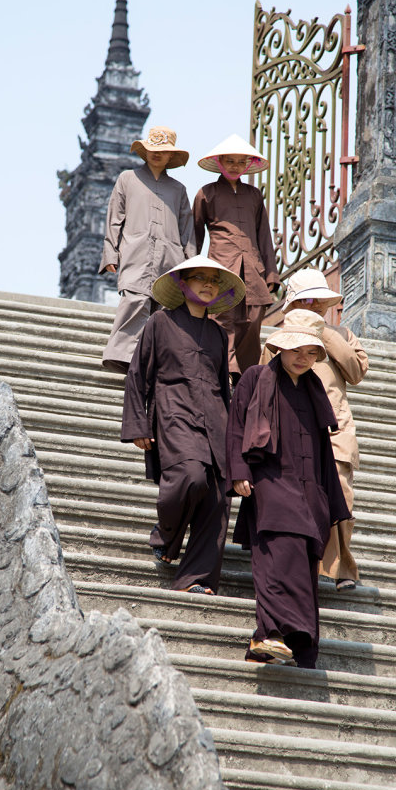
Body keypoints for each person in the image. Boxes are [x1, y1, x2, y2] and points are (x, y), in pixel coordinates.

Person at [227, 309, 350, 668]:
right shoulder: (255, 378)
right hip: (269, 481)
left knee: (303, 561)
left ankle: (282, 642)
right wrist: (238, 471)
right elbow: (236, 428)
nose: (303, 358)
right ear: (280, 347)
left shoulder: (314, 388)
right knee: (277, 553)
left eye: (311, 353)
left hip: (310, 489)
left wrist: (332, 504)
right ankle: (271, 633)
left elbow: (325, 451)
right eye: (297, 349)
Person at [122, 255, 246, 595]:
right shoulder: (160, 324)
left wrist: (236, 446)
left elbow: (226, 388)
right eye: (200, 278)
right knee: (190, 477)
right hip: (174, 414)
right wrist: (138, 425)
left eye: (214, 280)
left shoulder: (219, 335)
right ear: (182, 283)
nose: (208, 284)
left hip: (216, 422)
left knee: (219, 499)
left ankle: (195, 579)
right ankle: (165, 534)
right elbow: (138, 374)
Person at [261, 268, 369, 592]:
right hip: (294, 428)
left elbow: (356, 370)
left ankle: (343, 568)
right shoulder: (279, 338)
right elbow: (264, 377)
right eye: (306, 300)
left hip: (337, 430)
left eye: (319, 300)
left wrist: (323, 333)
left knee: (341, 496)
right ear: (293, 304)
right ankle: (307, 565)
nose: (314, 305)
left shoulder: (342, 334)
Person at [99, 126, 197, 373]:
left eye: (163, 152)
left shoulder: (178, 190)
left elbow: (187, 229)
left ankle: (158, 362)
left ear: (170, 157)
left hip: (170, 257)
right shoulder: (127, 179)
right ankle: (121, 357)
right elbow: (114, 218)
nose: (157, 155)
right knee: (135, 299)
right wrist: (111, 253)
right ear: (145, 151)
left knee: (165, 310)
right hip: (135, 253)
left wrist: (192, 265)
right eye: (153, 149)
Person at [192, 134, 281, 381]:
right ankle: (227, 367)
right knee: (223, 317)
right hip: (220, 266)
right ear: (219, 162)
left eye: (240, 162)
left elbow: (264, 235)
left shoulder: (254, 195)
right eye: (229, 161)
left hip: (253, 268)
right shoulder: (205, 193)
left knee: (253, 320)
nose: (234, 166)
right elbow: (195, 235)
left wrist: (271, 273)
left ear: (248, 165)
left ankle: (245, 372)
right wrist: (190, 273)